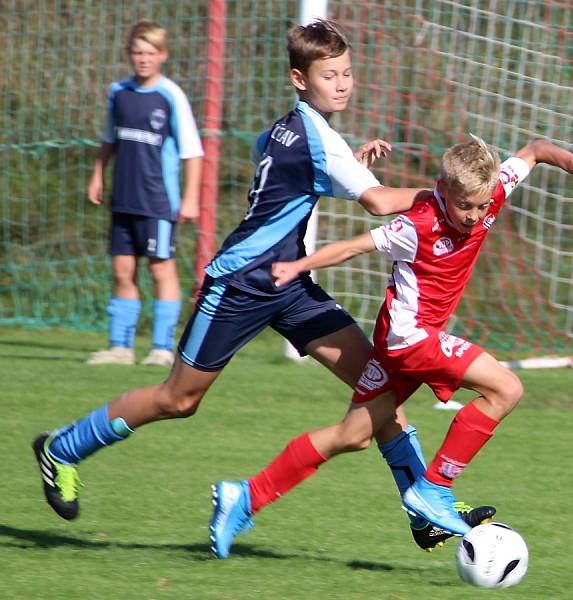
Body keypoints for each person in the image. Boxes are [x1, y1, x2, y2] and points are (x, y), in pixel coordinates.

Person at [32, 18, 492, 555]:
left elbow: (267, 155)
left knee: (378, 390)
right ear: (300, 79)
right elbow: (381, 202)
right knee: (178, 399)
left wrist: (344, 163)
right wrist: (452, 193)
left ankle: (423, 506)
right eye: (328, 75)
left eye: (347, 73)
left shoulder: (292, 128)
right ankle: (62, 448)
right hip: (240, 283)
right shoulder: (318, 140)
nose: (342, 84)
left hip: (289, 282)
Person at [208, 135, 573, 558]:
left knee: (353, 435)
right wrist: (297, 266)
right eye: (464, 206)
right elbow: (352, 247)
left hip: (394, 344)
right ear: (442, 189)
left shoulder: (491, 192)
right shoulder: (417, 225)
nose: (474, 216)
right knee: (506, 389)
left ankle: (247, 496)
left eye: (481, 206)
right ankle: (434, 490)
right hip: (410, 338)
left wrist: (571, 164)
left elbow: (534, 150)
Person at [86, 20, 204, 367]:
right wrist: (97, 175)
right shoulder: (117, 92)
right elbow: (109, 139)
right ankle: (120, 347)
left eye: (150, 53)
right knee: (122, 270)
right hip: (123, 197)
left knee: (160, 270)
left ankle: (162, 348)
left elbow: (192, 151)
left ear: (162, 56)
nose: (143, 59)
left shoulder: (170, 95)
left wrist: (191, 196)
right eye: (137, 52)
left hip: (157, 200)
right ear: (129, 54)